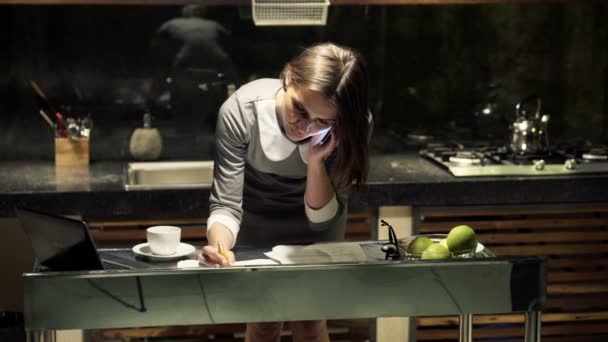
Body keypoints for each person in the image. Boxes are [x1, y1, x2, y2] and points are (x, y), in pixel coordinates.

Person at [199, 42, 372, 342]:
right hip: (257, 223)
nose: (304, 127)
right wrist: (220, 250)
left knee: (310, 321)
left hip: (319, 227)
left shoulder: (352, 126)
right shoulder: (241, 112)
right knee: (263, 321)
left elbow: (322, 220)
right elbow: (226, 205)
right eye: (300, 109)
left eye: (323, 121)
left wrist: (316, 163)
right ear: (288, 78)